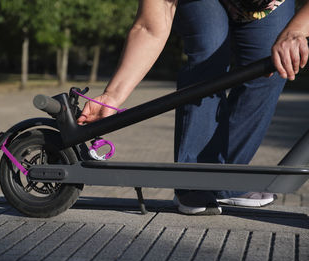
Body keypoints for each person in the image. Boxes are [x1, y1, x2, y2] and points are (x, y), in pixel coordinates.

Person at [77, 0, 309, 215]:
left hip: (271, 6)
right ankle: (194, 181)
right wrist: (113, 95)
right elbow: (150, 27)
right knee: (209, 48)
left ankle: (228, 181)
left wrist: (296, 31)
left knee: (273, 67)